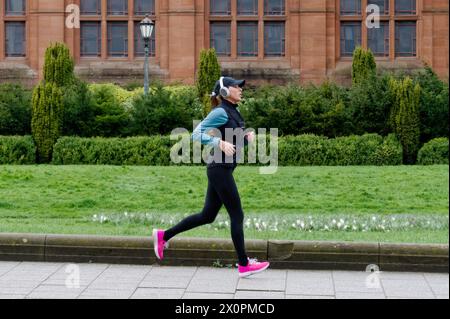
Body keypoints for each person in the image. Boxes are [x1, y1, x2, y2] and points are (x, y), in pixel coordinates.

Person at [153, 76, 270, 278]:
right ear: (225, 91)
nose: (241, 90)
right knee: (237, 214)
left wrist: (245, 139)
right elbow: (196, 134)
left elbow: (232, 141)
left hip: (222, 168)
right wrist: (218, 143)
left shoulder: (233, 112)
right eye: (236, 87)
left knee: (207, 216)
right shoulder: (220, 111)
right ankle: (243, 265)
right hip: (219, 169)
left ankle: (164, 235)